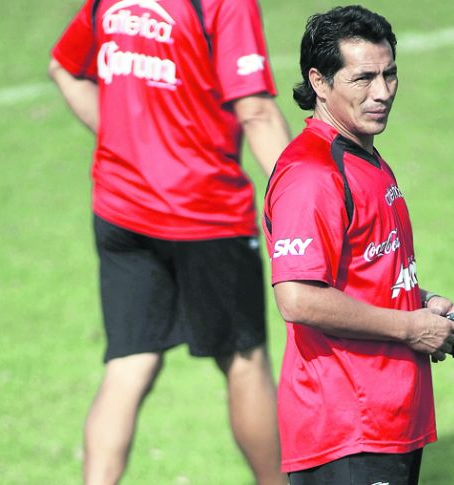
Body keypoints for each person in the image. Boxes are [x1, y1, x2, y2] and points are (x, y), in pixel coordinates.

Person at [48, 1, 291, 484]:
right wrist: (307, 198)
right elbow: (257, 111)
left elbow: (64, 67)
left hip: (121, 211)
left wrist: (126, 142)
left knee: (129, 364)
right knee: (245, 363)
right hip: (206, 214)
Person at [262, 5, 454, 485]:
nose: (382, 92)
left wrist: (424, 305)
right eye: (363, 78)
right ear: (319, 82)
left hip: (388, 420)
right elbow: (297, 298)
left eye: (390, 74)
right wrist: (409, 327)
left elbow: (357, 273)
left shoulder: (364, 156)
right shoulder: (312, 175)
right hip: (347, 427)